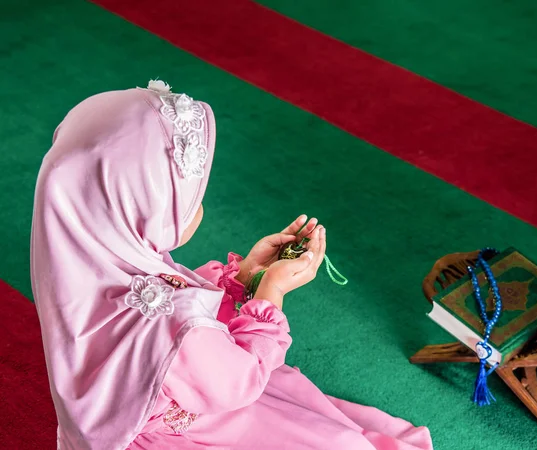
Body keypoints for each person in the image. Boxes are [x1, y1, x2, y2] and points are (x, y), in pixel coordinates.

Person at [31, 80, 433, 450]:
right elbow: (237, 382)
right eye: (190, 196)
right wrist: (270, 293)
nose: (198, 205)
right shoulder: (172, 326)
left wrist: (242, 280)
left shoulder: (89, 260)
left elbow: (178, 311)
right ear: (140, 208)